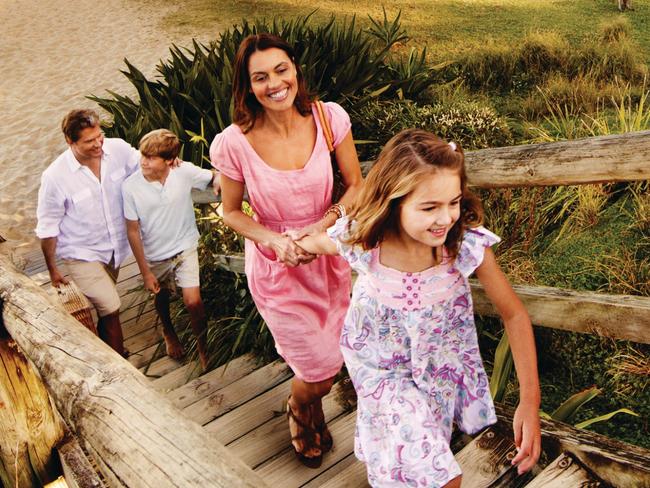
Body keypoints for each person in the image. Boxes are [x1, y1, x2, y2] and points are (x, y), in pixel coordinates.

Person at [292, 129, 541, 487]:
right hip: (381, 372)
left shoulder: (465, 246)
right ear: (395, 202)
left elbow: (514, 314)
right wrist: (298, 244)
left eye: (453, 202)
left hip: (437, 373)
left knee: (414, 459)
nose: (445, 218)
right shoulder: (366, 241)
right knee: (441, 476)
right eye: (429, 207)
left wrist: (529, 402)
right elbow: (322, 242)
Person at [210, 33, 363, 466]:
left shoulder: (328, 117)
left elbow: (356, 185)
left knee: (332, 362)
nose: (274, 83)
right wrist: (275, 240)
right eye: (260, 77)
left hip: (328, 258)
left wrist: (325, 223)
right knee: (320, 368)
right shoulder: (233, 142)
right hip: (277, 267)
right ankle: (299, 409)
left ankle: (310, 408)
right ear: (248, 85)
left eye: (281, 70)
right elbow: (231, 212)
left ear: (295, 69)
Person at [36, 109, 140, 357]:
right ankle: (120, 365)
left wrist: (173, 163)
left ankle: (106, 351)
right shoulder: (55, 177)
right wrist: (53, 269)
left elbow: (144, 165)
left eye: (99, 136)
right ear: (70, 142)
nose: (98, 144)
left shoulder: (119, 149)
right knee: (111, 306)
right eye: (89, 141)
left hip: (115, 248)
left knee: (105, 307)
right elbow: (48, 226)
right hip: (80, 252)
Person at [122, 129, 218, 370]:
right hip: (155, 253)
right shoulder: (130, 187)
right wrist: (145, 272)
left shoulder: (183, 172)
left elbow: (213, 176)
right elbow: (132, 230)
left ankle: (203, 348)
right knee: (161, 296)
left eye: (151, 157)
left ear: (168, 161)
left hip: (185, 246)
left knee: (193, 302)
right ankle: (168, 329)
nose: (143, 161)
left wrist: (218, 181)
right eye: (143, 155)